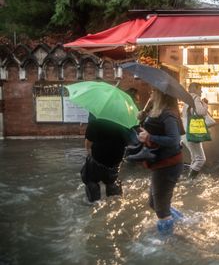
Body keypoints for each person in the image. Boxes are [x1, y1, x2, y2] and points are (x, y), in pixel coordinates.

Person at [136, 88, 185, 236]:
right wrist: (142, 116)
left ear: (161, 95)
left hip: (168, 165)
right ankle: (181, 221)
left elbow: (174, 139)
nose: (151, 94)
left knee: (161, 210)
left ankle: (167, 244)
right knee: (154, 203)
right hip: (161, 163)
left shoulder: (168, 114)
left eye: (153, 91)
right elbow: (154, 128)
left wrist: (150, 138)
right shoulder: (157, 111)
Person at [80, 114, 131, 202]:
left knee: (90, 180)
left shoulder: (95, 121)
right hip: (116, 160)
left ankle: (94, 202)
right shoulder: (124, 123)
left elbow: (88, 143)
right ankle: (115, 197)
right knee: (113, 182)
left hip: (97, 159)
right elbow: (128, 142)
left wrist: (89, 153)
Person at [181, 82, 210, 179]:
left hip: (185, 131)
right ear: (194, 89)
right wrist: (205, 104)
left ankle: (191, 180)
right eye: (200, 89)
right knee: (200, 159)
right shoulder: (196, 98)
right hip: (192, 131)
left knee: (195, 158)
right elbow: (202, 112)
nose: (201, 91)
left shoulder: (186, 99)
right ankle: (190, 181)